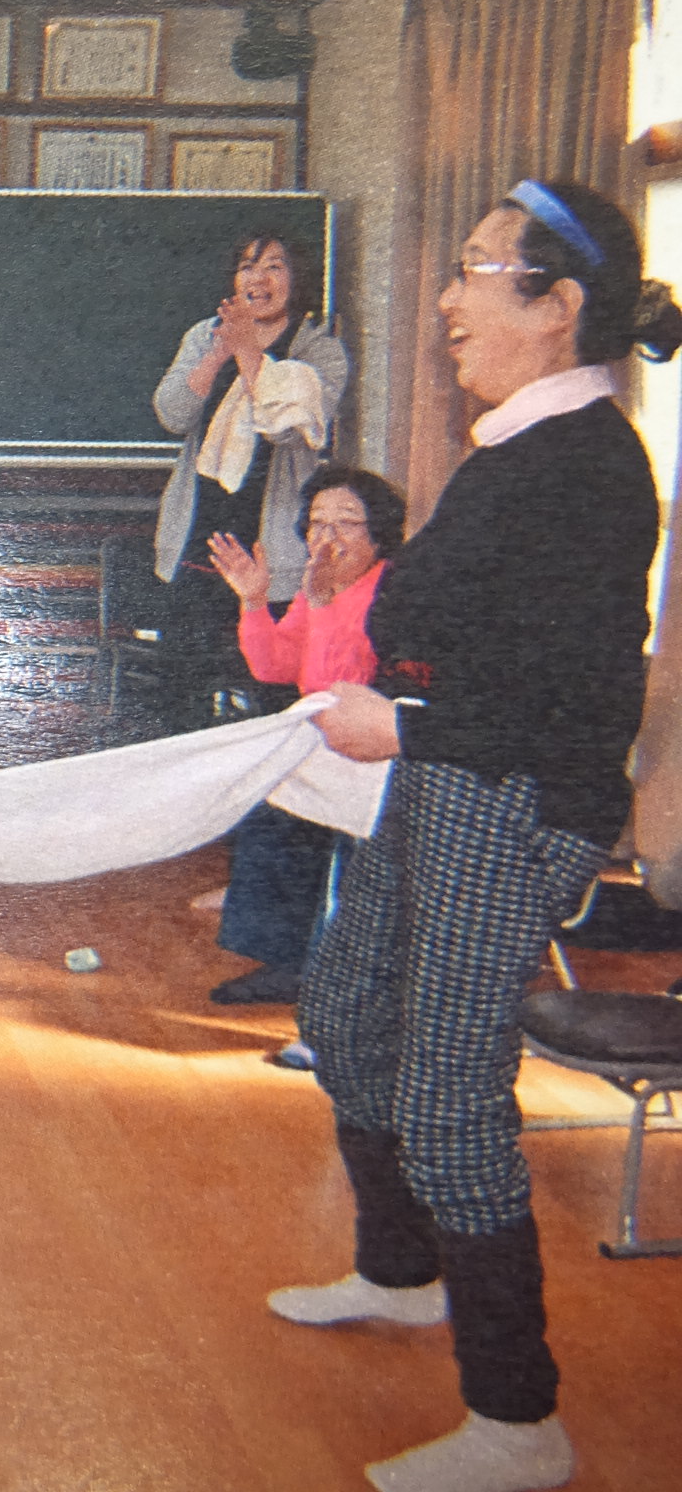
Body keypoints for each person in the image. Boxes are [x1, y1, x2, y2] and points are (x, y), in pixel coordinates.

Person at [291, 181, 682, 1492]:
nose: (449, 299)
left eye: (474, 271)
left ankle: (519, 1422)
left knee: (451, 1094)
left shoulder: (588, 469)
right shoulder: (523, 446)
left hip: (508, 801)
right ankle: (401, 1274)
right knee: (348, 1015)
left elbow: (568, 696)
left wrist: (399, 724)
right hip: (450, 780)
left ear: (557, 305)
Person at [202, 465, 405, 1009]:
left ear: (378, 531)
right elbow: (274, 666)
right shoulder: (320, 587)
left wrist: (321, 602)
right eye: (317, 523)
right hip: (325, 740)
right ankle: (286, 962)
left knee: (286, 804)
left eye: (346, 522)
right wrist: (253, 601)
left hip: (376, 746)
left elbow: (348, 681)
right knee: (268, 802)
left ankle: (320, 967)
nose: (327, 536)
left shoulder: (392, 589)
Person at [151, 231, 348, 719]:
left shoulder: (319, 349)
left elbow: (286, 430)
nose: (258, 279)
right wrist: (219, 353)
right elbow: (172, 414)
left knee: (271, 687)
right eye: (247, 267)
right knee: (183, 692)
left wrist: (248, 353)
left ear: (298, 279)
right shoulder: (206, 334)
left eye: (275, 267)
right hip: (199, 536)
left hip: (273, 550)